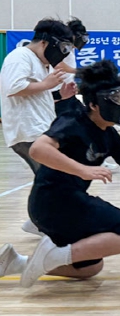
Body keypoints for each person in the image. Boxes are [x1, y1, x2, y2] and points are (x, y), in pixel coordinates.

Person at [0, 60, 120, 286]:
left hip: (68, 203)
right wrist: (83, 170)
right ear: (94, 104)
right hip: (53, 203)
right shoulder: (73, 122)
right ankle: (52, 255)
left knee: (90, 268)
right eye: (114, 98)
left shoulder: (108, 132)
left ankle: (17, 263)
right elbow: (38, 149)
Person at [0, 18, 75, 236]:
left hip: (38, 128)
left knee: (49, 178)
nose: (62, 54)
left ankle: (37, 223)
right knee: (52, 178)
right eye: (62, 47)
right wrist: (46, 84)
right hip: (27, 131)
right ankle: (44, 224)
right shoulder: (20, 57)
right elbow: (14, 88)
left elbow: (36, 96)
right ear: (45, 42)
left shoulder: (39, 63)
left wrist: (59, 95)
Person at [53, 18, 89, 116]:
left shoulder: (70, 49)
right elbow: (57, 64)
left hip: (67, 90)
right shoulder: (61, 46)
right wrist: (76, 71)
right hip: (58, 90)